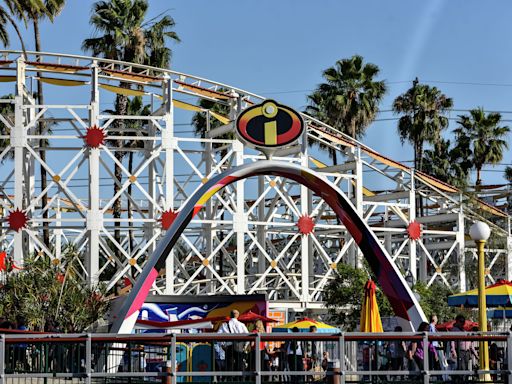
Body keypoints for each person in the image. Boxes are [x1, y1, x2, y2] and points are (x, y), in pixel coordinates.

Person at [450, 315, 478, 383]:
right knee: (461, 368)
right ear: (457, 321)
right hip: (460, 351)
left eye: (463, 321)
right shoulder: (454, 330)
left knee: (465, 368)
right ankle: (460, 380)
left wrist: (475, 353)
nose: (463, 323)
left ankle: (463, 381)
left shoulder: (463, 330)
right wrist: (453, 350)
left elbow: (470, 343)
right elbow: (452, 341)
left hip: (466, 351)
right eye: (461, 321)